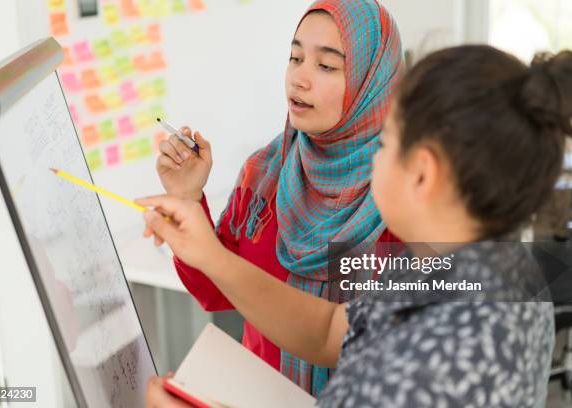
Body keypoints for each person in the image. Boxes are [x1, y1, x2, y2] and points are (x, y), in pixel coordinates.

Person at [140, 46, 572, 406]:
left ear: (422, 173)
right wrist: (208, 252)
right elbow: (332, 328)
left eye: (385, 141)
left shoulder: (413, 369)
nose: (300, 78)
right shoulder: (482, 265)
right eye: (294, 58)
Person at [153, 0, 402, 396]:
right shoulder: (265, 173)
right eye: (295, 57)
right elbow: (217, 289)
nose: (298, 79)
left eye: (326, 66)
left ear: (371, 82)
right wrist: (187, 196)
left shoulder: (407, 197)